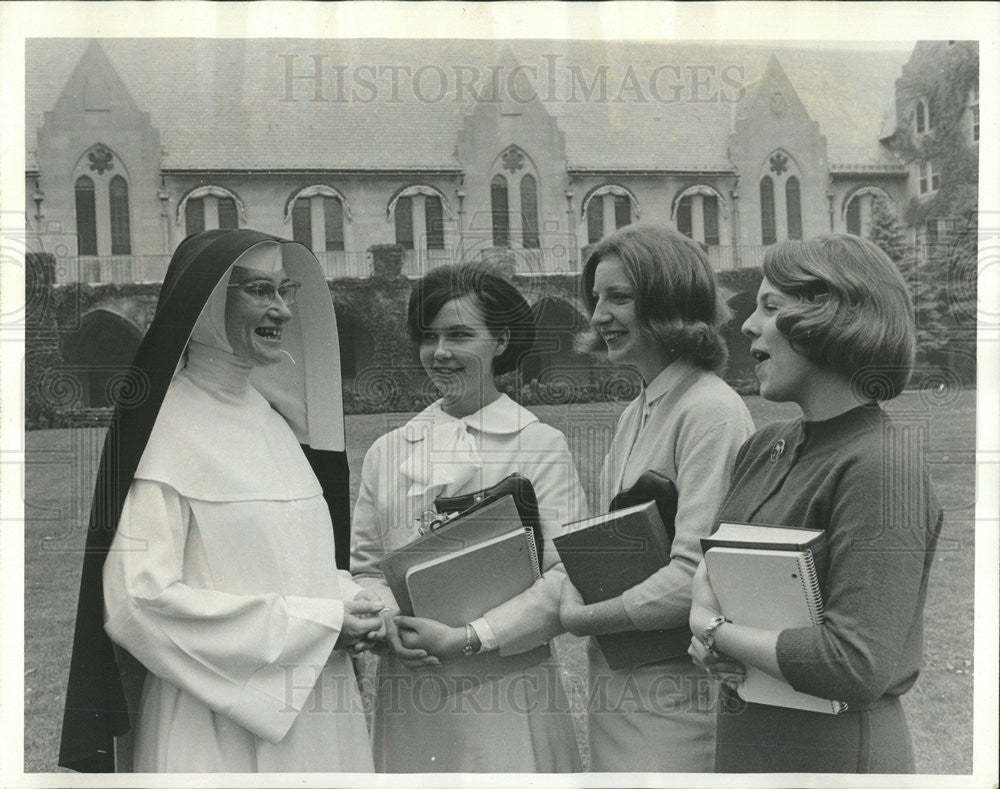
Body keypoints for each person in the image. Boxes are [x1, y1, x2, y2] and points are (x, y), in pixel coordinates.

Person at [58, 229, 380, 773]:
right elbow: (138, 601)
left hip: (317, 706)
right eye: (259, 290)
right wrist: (321, 623)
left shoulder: (276, 422)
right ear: (207, 306)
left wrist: (350, 601)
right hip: (211, 726)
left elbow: (290, 564)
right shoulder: (166, 427)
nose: (280, 309)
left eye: (286, 290)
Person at [688, 234, 943, 774]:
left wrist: (712, 631)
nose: (747, 325)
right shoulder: (762, 446)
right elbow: (713, 574)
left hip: (835, 752)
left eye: (771, 307)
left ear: (835, 319)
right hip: (747, 736)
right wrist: (713, 635)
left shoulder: (881, 465)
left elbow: (854, 664)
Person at [350, 262, 585, 773]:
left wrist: (472, 636)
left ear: (501, 339)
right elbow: (366, 569)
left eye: (459, 335)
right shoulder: (387, 452)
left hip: (508, 685)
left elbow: (566, 575)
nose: (440, 353)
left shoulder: (540, 445)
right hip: (413, 690)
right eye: (428, 337)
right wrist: (386, 621)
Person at [559, 224, 754, 772]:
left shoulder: (710, 411)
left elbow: (699, 574)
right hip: (620, 684)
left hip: (677, 698)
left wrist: (585, 618)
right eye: (596, 298)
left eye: (619, 298)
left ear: (670, 303)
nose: (598, 316)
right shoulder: (636, 411)